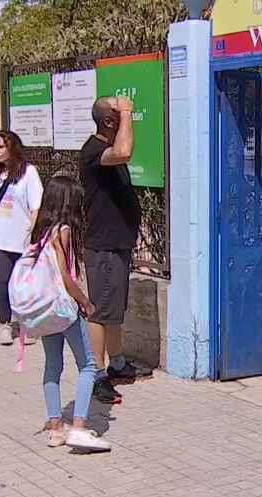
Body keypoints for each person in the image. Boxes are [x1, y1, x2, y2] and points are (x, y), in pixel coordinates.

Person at [28, 176, 111, 451]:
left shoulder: (39, 229)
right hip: (65, 308)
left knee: (53, 366)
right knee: (88, 365)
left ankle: (55, 429)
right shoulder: (62, 231)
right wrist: (85, 301)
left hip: (45, 309)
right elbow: (65, 275)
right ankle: (78, 427)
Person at [80, 96, 153, 405]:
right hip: (104, 246)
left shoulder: (103, 150)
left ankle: (118, 363)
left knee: (113, 310)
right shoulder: (94, 151)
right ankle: (95, 375)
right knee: (99, 311)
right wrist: (127, 112)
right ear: (110, 122)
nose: (126, 115)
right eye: (119, 115)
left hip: (116, 244)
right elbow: (123, 151)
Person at [0, 130, 44, 345]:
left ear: (12, 147)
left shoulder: (28, 172)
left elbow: (36, 207)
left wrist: (32, 234)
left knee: (24, 284)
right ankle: (4, 324)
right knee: (2, 281)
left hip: (22, 239)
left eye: (1, 147)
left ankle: (28, 325)